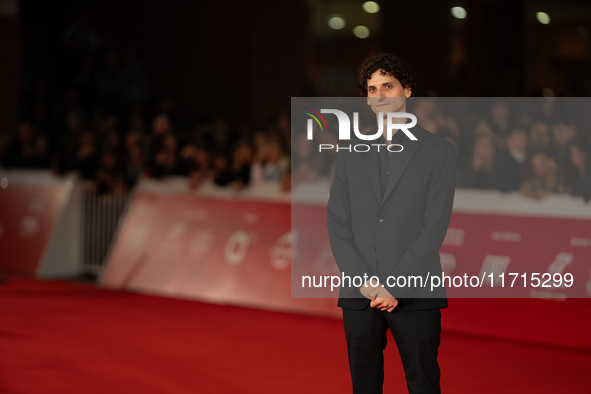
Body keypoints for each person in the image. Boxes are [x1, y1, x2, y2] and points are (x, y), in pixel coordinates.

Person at [327, 53, 456, 394]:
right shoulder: (350, 150)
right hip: (360, 293)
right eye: (372, 89)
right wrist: (363, 281)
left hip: (414, 291)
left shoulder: (438, 151)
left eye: (388, 86)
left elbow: (434, 226)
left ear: (407, 91)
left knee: (423, 382)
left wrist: (395, 285)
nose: (380, 95)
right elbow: (337, 222)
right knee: (364, 385)